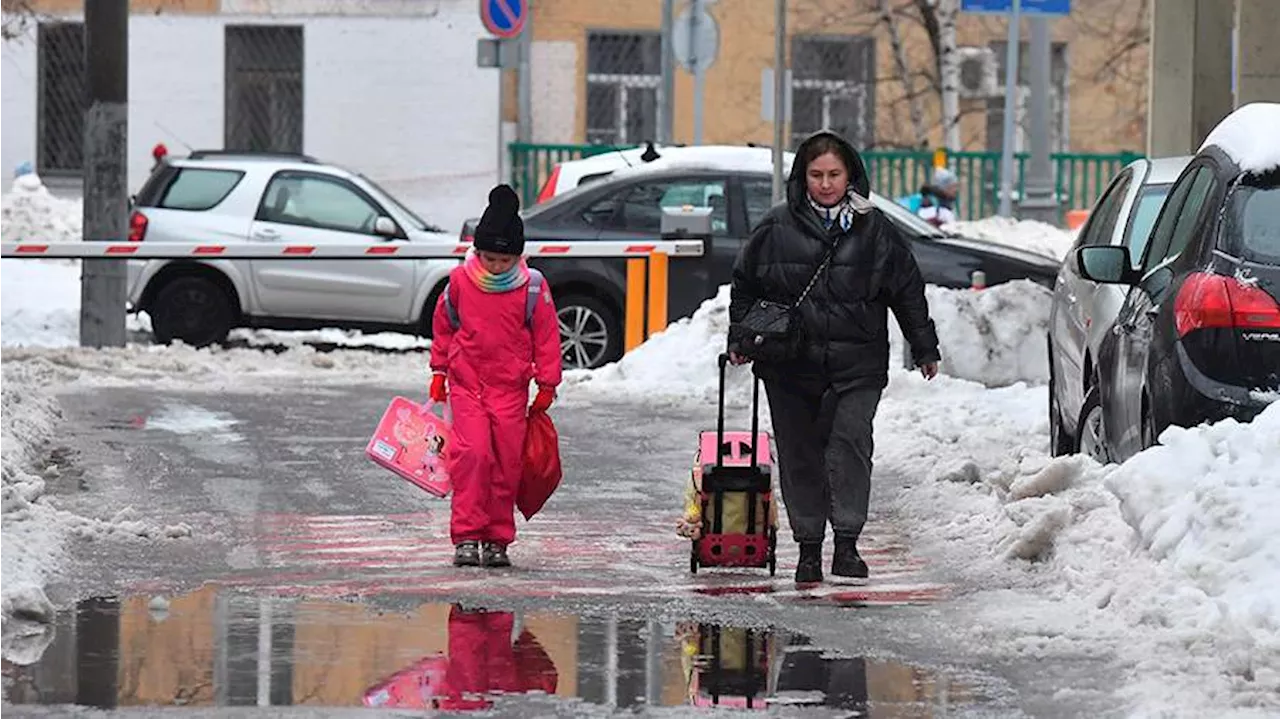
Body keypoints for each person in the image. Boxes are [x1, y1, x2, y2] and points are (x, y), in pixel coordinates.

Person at [728, 131, 941, 584]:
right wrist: (741, 338)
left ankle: (847, 544)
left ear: (851, 176)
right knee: (800, 454)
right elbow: (745, 285)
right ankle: (808, 548)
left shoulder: (876, 230)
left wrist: (924, 346)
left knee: (849, 444)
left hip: (857, 363)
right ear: (802, 178)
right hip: (790, 364)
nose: (825, 184)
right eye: (816, 175)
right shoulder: (775, 227)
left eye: (834, 174)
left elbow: (907, 290)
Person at [429, 184, 563, 569]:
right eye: (488, 257)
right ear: (478, 252)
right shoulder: (459, 282)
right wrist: (439, 371)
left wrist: (548, 382)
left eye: (504, 260)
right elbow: (444, 327)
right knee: (472, 457)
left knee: (506, 464)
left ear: (517, 256)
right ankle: (467, 536)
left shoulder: (533, 287)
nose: (495, 266)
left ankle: (497, 538)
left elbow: (546, 335)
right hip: (467, 385)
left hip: (510, 389)